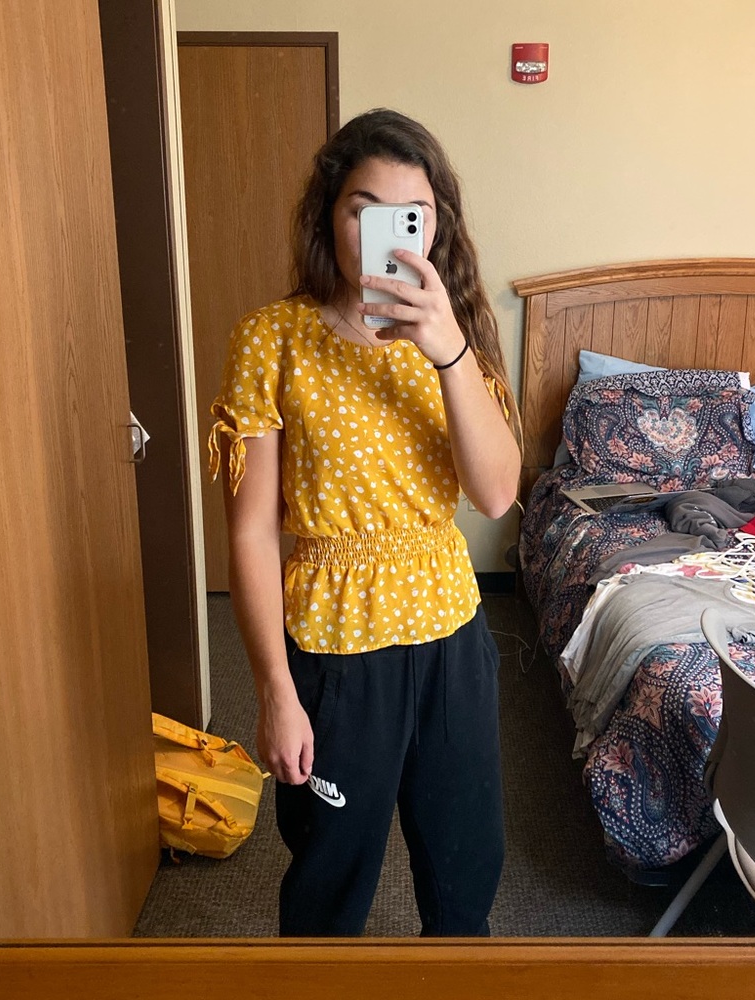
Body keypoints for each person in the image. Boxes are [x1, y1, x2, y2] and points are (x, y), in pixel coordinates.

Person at [208, 108, 522, 937]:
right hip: (334, 648)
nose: (385, 230)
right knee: (328, 879)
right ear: (329, 215)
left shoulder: (457, 333)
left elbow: (496, 496)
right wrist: (275, 693)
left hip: (451, 639)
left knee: (464, 872)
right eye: (363, 208)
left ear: (434, 227)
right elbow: (250, 533)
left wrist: (446, 348)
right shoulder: (271, 339)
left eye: (411, 213)